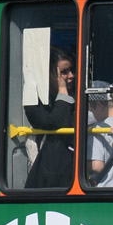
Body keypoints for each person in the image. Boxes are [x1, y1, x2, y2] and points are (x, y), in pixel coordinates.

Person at [25, 47, 78, 188]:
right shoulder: (35, 102)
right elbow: (54, 122)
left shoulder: (75, 95)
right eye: (63, 72)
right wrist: (62, 90)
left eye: (71, 70)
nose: (71, 75)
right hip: (47, 175)